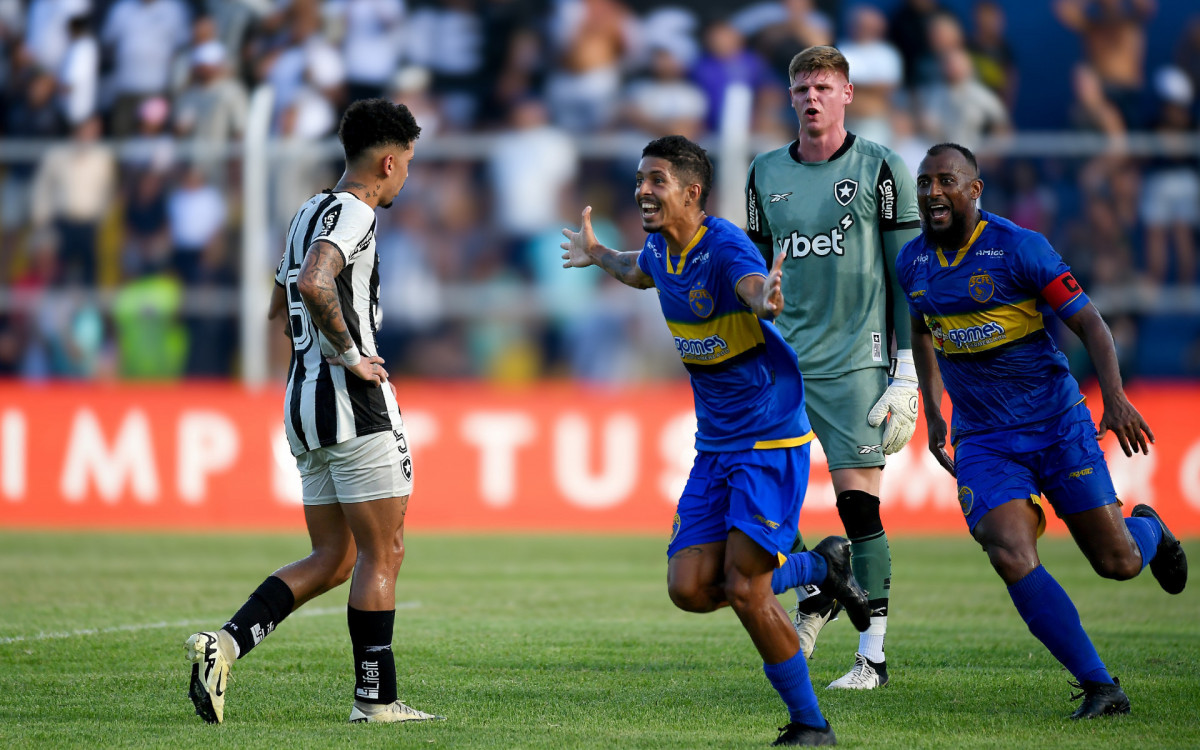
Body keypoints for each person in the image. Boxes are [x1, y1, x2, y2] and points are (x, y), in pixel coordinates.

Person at [561, 134, 870, 746]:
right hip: (716, 446)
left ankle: (811, 726)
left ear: (691, 192)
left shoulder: (723, 246)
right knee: (689, 588)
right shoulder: (658, 247)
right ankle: (821, 567)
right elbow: (638, 270)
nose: (641, 191)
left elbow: (753, 286)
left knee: (747, 590)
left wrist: (766, 299)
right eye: (641, 179)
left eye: (655, 181)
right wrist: (598, 254)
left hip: (768, 440)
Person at [899, 142, 1188, 718]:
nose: (932, 192)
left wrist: (1116, 397)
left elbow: (1090, 323)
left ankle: (1148, 532)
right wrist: (933, 414)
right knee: (1007, 548)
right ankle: (1100, 686)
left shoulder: (1019, 249)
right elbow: (923, 330)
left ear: (974, 190)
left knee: (1118, 562)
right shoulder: (912, 262)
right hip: (983, 438)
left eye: (946, 181)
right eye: (925, 182)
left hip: (1056, 424)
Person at [185, 98, 444, 726]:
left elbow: (279, 301)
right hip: (354, 402)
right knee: (385, 553)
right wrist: (353, 353)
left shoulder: (309, 209)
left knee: (334, 558)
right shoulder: (356, 211)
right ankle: (375, 701)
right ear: (388, 160)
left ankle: (225, 644)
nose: (406, 176)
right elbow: (311, 283)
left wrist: (315, 339)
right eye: (406, 164)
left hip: (303, 404)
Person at [744, 45, 921, 689]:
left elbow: (907, 277)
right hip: (784, 363)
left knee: (858, 508)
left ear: (847, 94)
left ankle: (871, 655)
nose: (811, 98)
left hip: (856, 362)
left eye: (823, 86)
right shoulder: (764, 172)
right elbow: (757, 275)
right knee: (764, 509)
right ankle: (820, 579)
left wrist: (906, 371)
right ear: (789, 98)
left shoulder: (881, 168)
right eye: (801, 88)